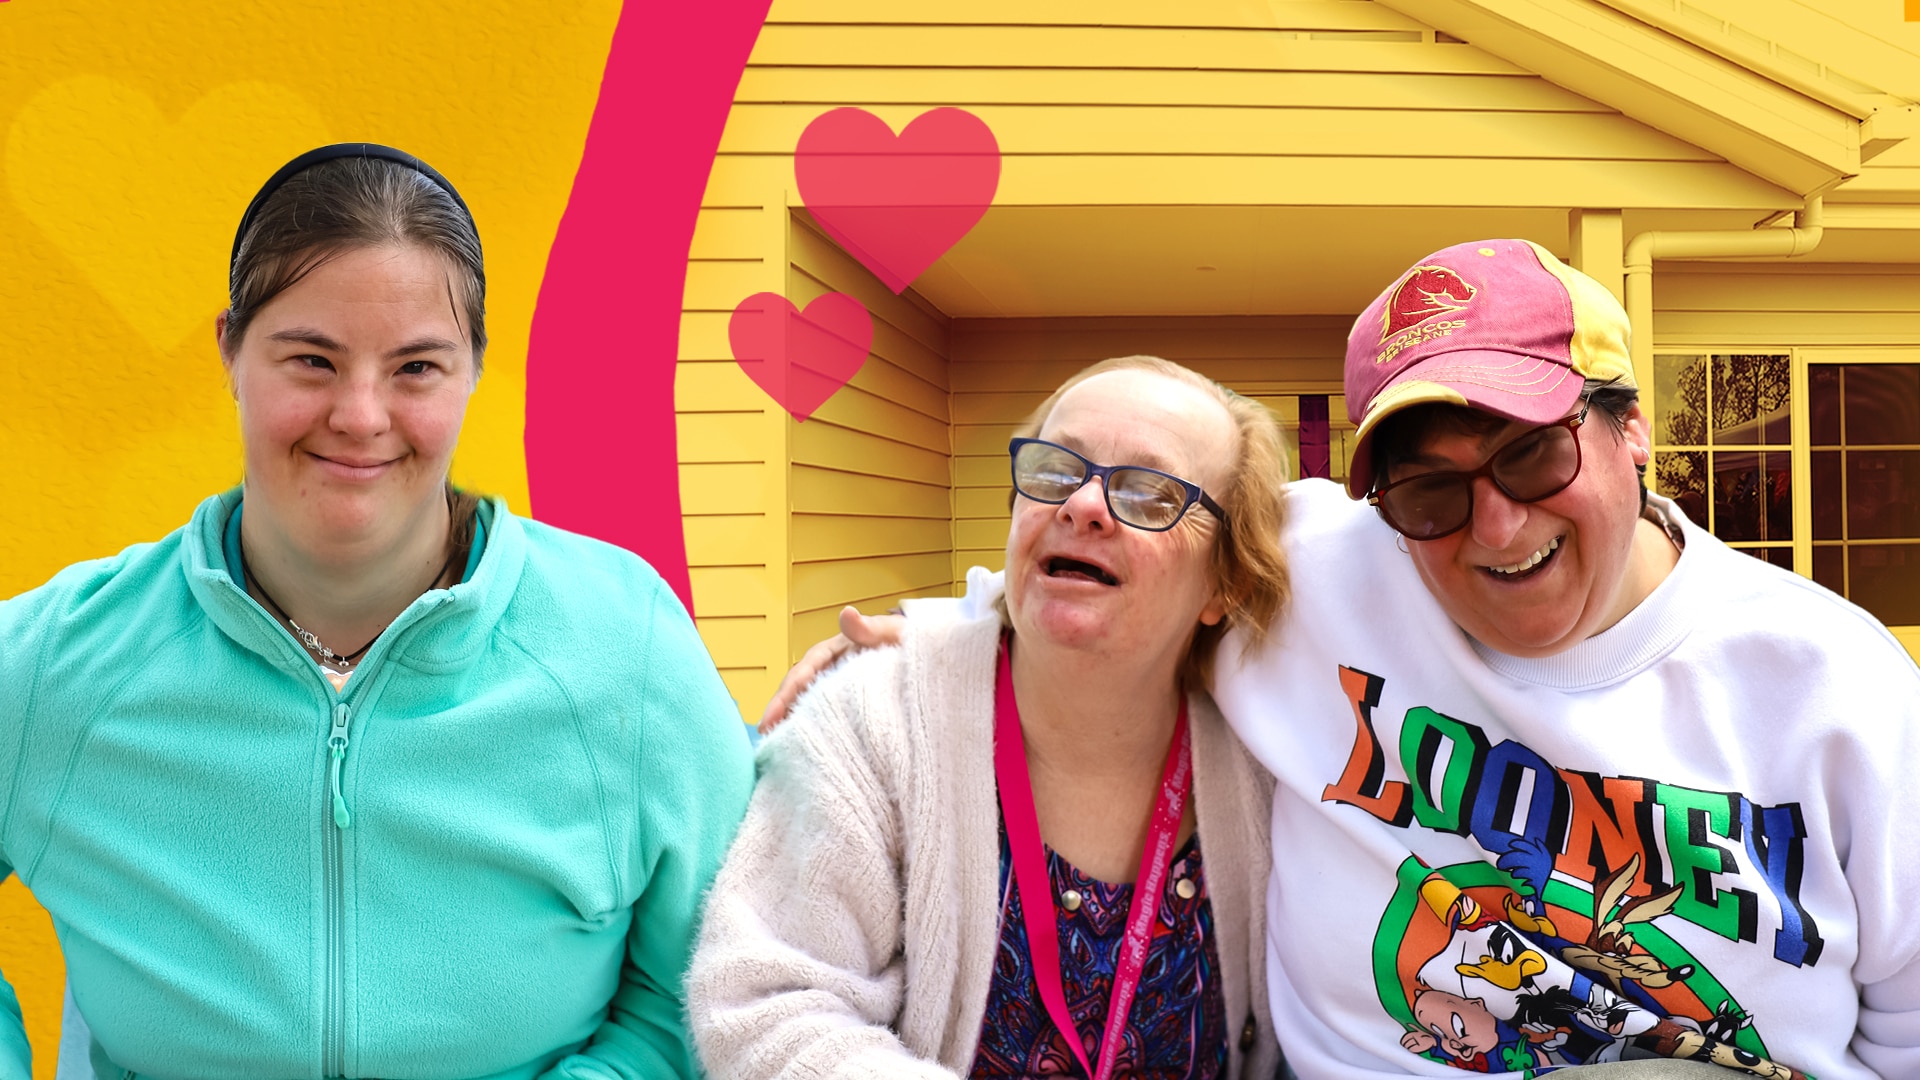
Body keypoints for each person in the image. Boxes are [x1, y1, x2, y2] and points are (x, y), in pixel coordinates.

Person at [764, 239, 1920, 1079]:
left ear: (1630, 432)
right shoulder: (1319, 571)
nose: (1496, 525)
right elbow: (1114, 563)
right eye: (1430, 489)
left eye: (1532, 455)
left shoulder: (1839, 692)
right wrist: (934, 645)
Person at [0, 143, 754, 1079]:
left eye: (416, 368)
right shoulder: (61, 660)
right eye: (312, 360)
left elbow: (719, 977)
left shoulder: (626, 648)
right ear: (231, 351)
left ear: (473, 368)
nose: (360, 416)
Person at [687, 357, 1288, 1079]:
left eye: (1149, 492)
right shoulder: (874, 720)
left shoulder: (1276, 755)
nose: (1083, 505)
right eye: (1056, 470)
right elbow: (769, 1006)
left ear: (1224, 583)